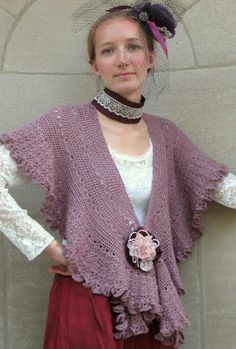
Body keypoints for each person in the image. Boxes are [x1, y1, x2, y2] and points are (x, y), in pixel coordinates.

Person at [0, 2, 235, 349]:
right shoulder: (66, 126)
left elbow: (222, 187)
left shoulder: (166, 136)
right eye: (108, 51)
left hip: (150, 305)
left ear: (151, 58)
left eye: (133, 47)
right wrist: (48, 247)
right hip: (86, 297)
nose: (122, 60)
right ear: (95, 65)